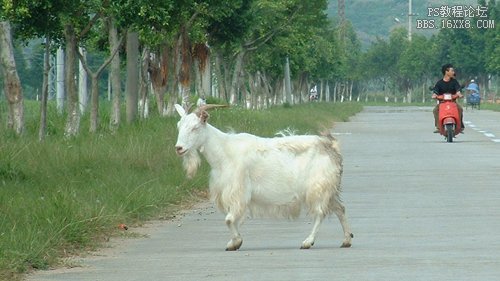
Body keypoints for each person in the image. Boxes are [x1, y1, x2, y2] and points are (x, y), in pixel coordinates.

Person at [431, 63, 464, 133]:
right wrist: (434, 95)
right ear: (446, 72)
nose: (453, 72)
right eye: (452, 71)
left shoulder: (454, 82)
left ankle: (460, 126)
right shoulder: (439, 83)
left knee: (460, 109)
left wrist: (459, 94)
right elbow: (436, 91)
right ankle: (438, 126)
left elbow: (458, 89)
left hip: (453, 103)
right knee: (435, 110)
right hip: (442, 103)